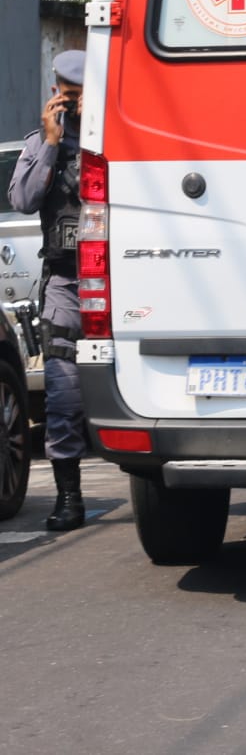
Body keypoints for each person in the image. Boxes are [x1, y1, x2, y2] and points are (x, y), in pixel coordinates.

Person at [9, 50, 87, 531]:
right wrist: (52, 145)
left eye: (79, 96)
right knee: (62, 395)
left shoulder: (117, 138)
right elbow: (22, 199)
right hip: (67, 284)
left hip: (125, 283)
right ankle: (70, 498)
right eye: (66, 95)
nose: (72, 104)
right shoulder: (42, 143)